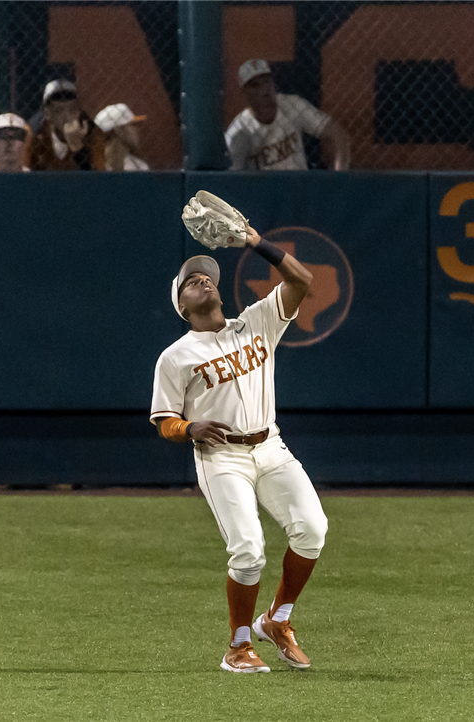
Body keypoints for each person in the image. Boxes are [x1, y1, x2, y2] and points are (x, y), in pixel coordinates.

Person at [150, 225, 328, 674]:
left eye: (206, 276)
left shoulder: (256, 322)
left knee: (312, 528)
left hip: (271, 446)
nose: (202, 281)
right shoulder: (175, 356)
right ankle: (238, 645)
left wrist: (253, 241)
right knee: (248, 549)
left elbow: (303, 281)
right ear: (182, 306)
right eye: (191, 281)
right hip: (221, 456)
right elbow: (163, 421)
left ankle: (278, 620)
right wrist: (189, 427)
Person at [225, 59, 350, 171]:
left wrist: (339, 177)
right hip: (264, 194)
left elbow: (338, 134)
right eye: (255, 85)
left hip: (299, 188)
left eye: (266, 82)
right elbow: (230, 178)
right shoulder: (239, 131)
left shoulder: (292, 105)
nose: (264, 91)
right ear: (245, 94)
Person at [27, 80, 106, 171]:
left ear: (79, 111)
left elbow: (98, 179)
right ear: (48, 113)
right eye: (59, 110)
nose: (67, 117)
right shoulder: (36, 137)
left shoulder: (93, 135)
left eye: (72, 109)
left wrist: (78, 148)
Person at [94, 103, 149, 171]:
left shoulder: (138, 165)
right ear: (117, 131)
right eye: (132, 125)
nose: (136, 130)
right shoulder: (138, 167)